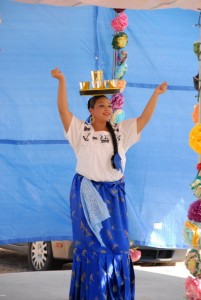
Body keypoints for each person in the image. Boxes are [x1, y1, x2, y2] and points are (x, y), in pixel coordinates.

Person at [51, 67, 167, 300]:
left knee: (118, 245)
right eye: (102, 105)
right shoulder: (80, 132)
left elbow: (144, 119)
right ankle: (91, 294)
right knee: (93, 245)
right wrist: (62, 80)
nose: (107, 109)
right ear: (91, 110)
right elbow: (63, 110)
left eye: (109, 106)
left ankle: (115, 294)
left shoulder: (121, 131)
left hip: (114, 195)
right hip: (86, 192)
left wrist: (155, 94)